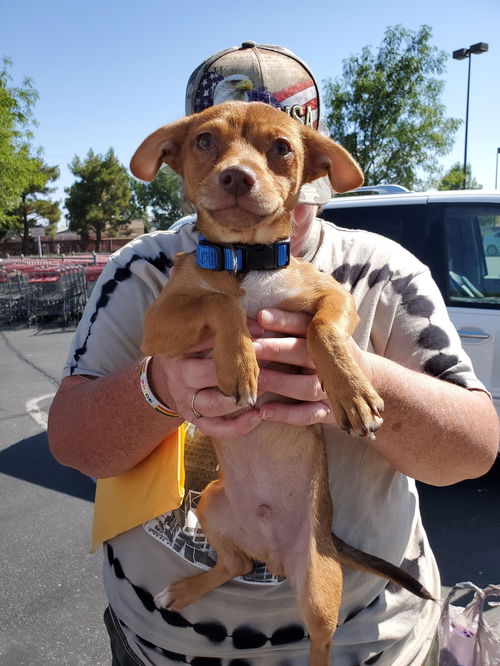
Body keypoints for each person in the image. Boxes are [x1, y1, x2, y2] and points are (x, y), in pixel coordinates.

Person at [48, 42, 499, 666]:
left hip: (365, 643)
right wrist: (163, 386)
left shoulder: (384, 271)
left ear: (311, 165)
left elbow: (475, 450)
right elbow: (74, 445)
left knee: (320, 591)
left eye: (275, 146)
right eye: (209, 143)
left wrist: (344, 366)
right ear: (176, 162)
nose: (238, 167)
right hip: (160, 643)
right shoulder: (143, 270)